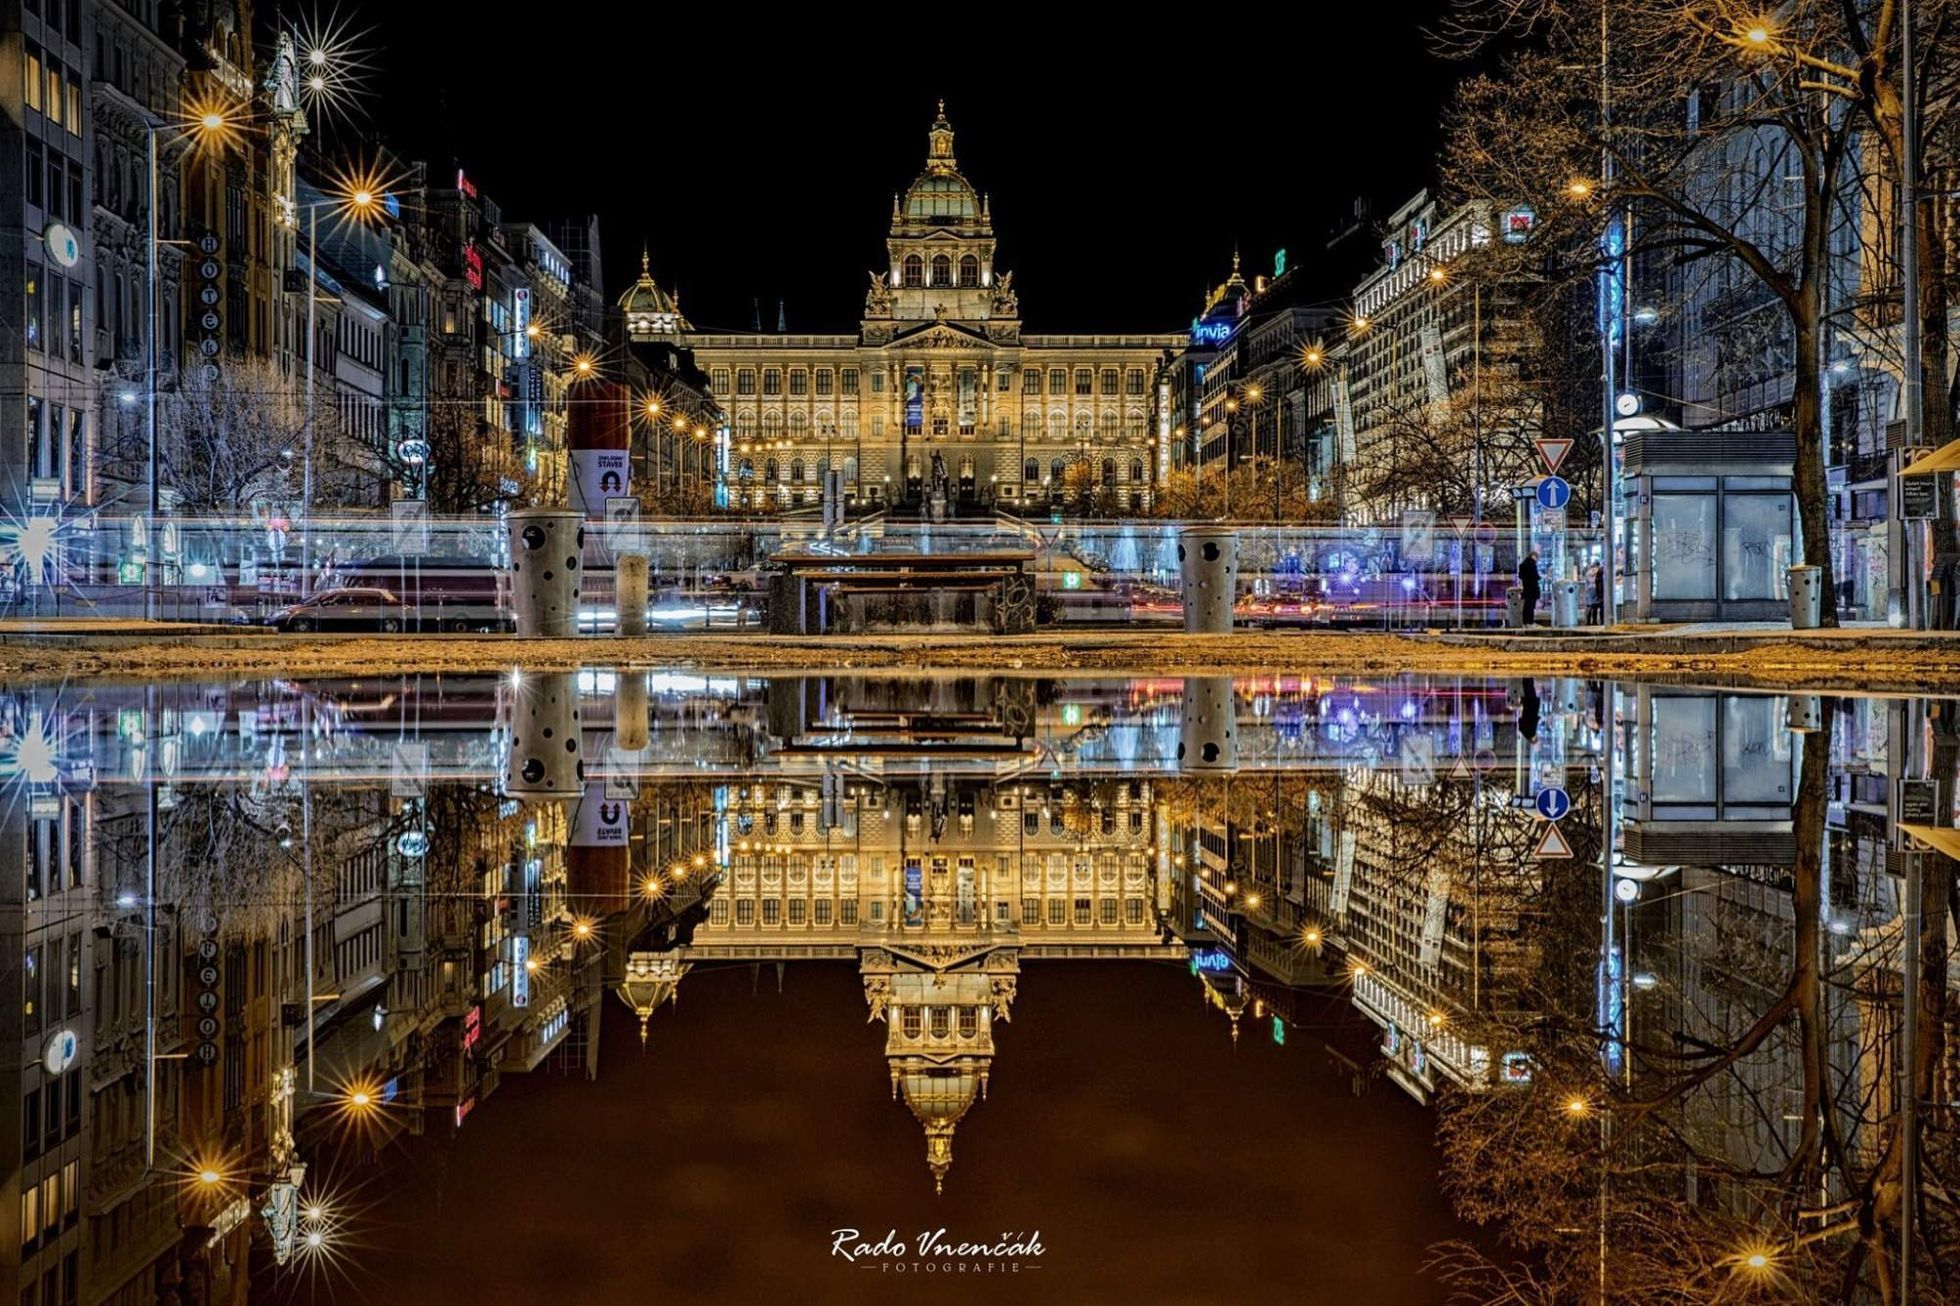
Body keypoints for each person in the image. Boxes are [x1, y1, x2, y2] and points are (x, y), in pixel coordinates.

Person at [1517, 550, 1541, 627]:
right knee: (1531, 606)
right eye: (1536, 557)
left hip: (1526, 588)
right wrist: (1540, 577)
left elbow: (1520, 576)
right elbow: (1535, 576)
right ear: (1533, 556)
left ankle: (1525, 622)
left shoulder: (1522, 565)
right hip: (1533, 588)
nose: (1536, 559)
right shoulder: (1532, 564)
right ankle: (1530, 622)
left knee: (1526, 605)